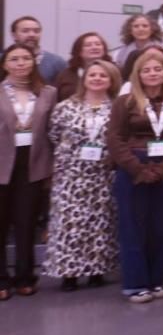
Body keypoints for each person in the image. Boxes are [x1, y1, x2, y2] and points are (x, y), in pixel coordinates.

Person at [106, 48, 163, 303]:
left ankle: (156, 280)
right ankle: (135, 284)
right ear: (138, 74)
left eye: (158, 69)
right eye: (147, 70)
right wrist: (138, 168)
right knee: (133, 227)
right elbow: (115, 138)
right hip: (133, 170)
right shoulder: (125, 102)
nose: (153, 74)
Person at [44, 58, 121, 290]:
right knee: (70, 224)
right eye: (92, 75)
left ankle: (97, 271)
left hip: (103, 175)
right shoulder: (65, 107)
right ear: (84, 79)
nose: (97, 79)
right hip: (71, 176)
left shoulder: (117, 108)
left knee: (100, 223)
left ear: (111, 80)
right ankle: (70, 273)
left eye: (102, 75)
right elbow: (54, 134)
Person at [0, 44, 57, 297]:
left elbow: (53, 131)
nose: (21, 63)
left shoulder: (48, 93)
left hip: (33, 164)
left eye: (26, 58)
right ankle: (1, 279)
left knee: (26, 222)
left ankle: (25, 276)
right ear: (5, 64)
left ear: (34, 63)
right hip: (2, 162)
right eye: (14, 59)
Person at [11, 16, 67, 84]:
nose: (32, 34)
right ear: (14, 35)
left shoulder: (56, 62)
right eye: (25, 31)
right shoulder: (3, 59)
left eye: (36, 31)